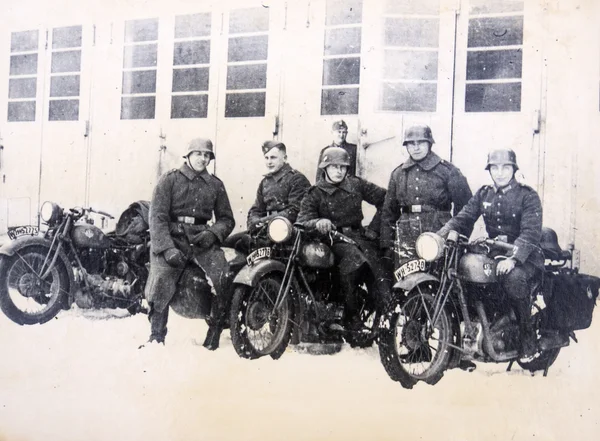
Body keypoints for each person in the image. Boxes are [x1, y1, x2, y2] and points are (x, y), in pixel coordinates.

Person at [437, 148, 544, 358]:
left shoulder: (527, 196)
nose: (500, 172)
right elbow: (463, 217)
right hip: (497, 254)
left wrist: (514, 259)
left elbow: (530, 232)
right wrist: (439, 236)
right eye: (495, 168)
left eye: (505, 167)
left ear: (514, 169)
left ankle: (527, 338)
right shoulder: (484, 193)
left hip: (526, 257)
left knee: (514, 279)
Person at [143, 138, 235, 350]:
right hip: (173, 238)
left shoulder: (215, 185)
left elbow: (226, 219)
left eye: (207, 155)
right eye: (198, 154)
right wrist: (167, 248)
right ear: (188, 155)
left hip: (202, 241)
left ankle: (213, 336)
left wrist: (213, 234)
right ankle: (156, 337)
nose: (202, 159)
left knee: (222, 276)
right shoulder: (170, 180)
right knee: (161, 278)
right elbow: (157, 217)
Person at [297, 147, 389, 332]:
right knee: (352, 261)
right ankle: (350, 317)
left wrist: (374, 228)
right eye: (334, 167)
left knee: (380, 268)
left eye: (343, 167)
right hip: (333, 240)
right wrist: (318, 222)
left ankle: (385, 317)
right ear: (325, 168)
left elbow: (386, 199)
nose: (339, 171)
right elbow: (302, 221)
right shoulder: (315, 192)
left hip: (359, 236)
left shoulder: (356, 184)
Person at [380, 124, 472, 268]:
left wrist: (457, 236)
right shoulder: (398, 174)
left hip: (438, 232)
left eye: (421, 143)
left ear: (429, 144)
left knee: (440, 278)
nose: (416, 148)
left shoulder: (447, 171)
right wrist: (387, 244)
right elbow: (388, 212)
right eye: (411, 143)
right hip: (406, 234)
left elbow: (466, 208)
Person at [247, 141, 311, 232]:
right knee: (230, 243)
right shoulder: (265, 182)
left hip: (286, 229)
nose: (269, 162)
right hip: (266, 228)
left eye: (273, 158)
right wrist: (253, 222)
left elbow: (294, 211)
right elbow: (256, 208)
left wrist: (263, 221)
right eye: (266, 158)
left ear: (284, 158)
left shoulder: (296, 179)